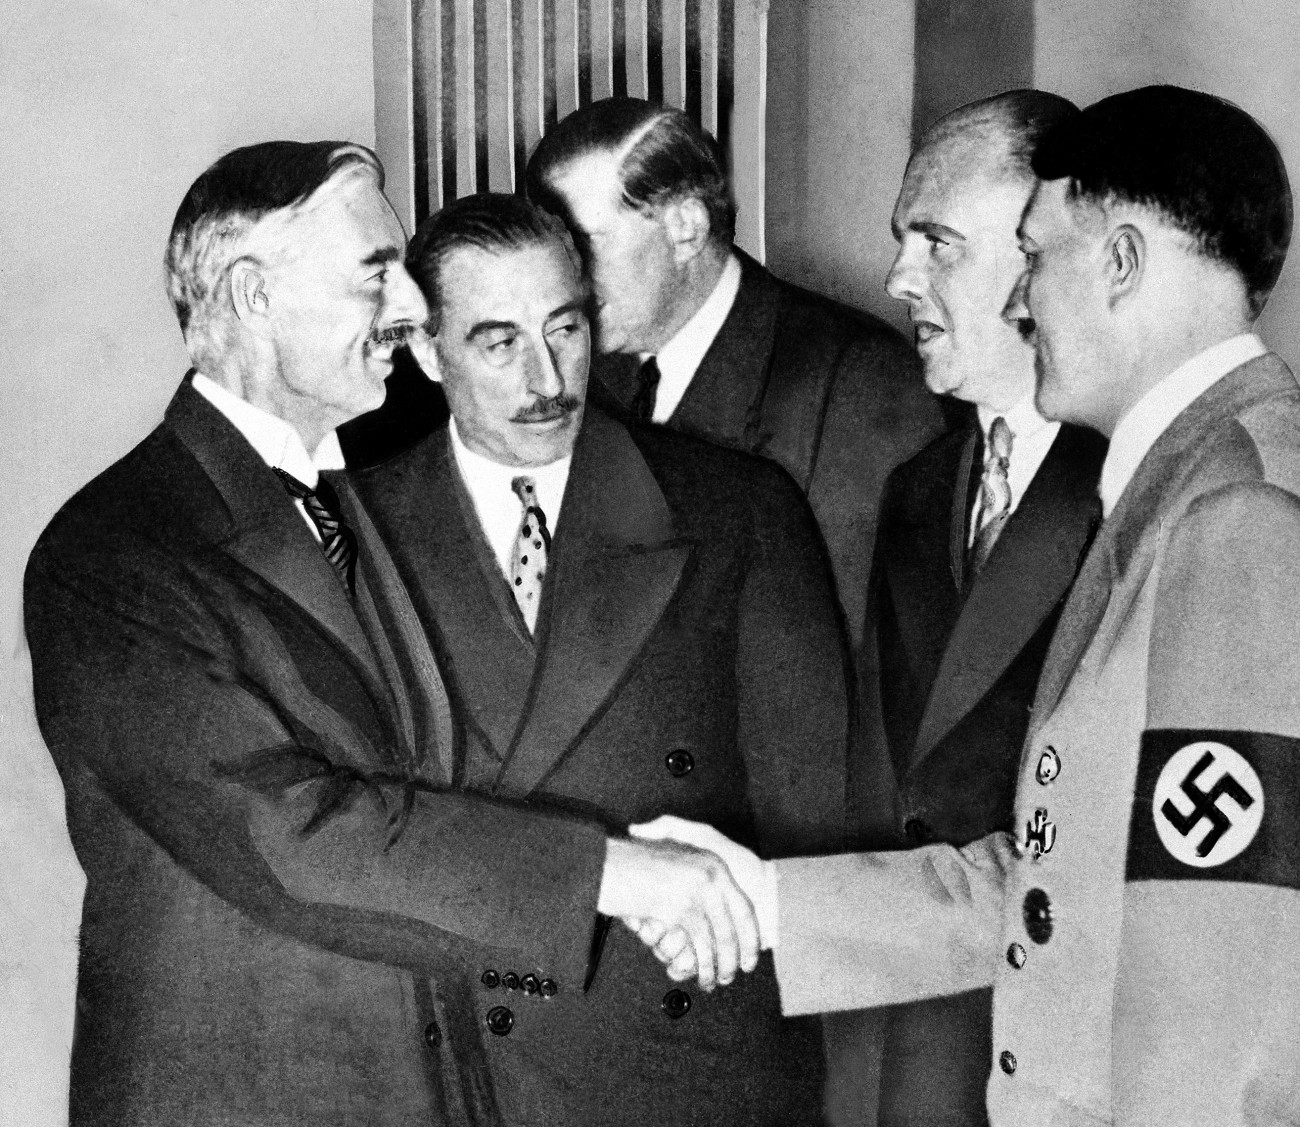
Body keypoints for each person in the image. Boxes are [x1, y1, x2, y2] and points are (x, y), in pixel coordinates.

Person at [636, 86, 1300, 1127]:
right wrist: (766, 898)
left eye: (1038, 256)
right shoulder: (1197, 487)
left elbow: (1224, 1016)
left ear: (1120, 262)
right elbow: (1068, 876)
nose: (1023, 302)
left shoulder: (1244, 517)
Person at [25, 142, 773, 1127]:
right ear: (252, 297)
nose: (411, 310)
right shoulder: (119, 548)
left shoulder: (354, 495)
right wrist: (610, 874)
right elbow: (286, 833)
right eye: (376, 274)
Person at [349, 192, 849, 1127]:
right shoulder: (357, 528)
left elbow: (813, 814)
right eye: (499, 343)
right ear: (427, 349)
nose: (547, 378)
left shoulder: (735, 509)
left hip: (682, 1059)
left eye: (566, 329)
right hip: (455, 1064)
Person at [833, 89, 1103, 1127]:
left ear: (1040, 254)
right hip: (921, 1044)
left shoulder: (1149, 494)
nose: (899, 277)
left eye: (935, 242)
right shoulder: (919, 486)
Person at [523, 96, 950, 645]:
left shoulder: (857, 382)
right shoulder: (590, 373)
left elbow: (859, 662)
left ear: (686, 228)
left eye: (582, 244)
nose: (564, 283)